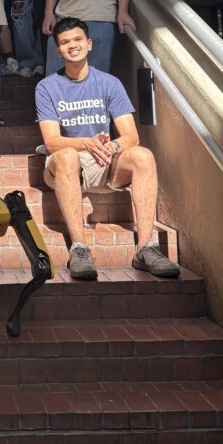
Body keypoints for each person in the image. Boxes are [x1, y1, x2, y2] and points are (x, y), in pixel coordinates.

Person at [36, 17, 180, 281]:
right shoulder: (47, 87)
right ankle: (80, 249)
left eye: (78, 39)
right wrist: (86, 143)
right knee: (66, 156)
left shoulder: (109, 83)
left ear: (89, 44)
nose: (72, 45)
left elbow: (131, 136)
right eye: (65, 42)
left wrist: (112, 146)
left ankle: (145, 248)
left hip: (103, 162)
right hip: (65, 165)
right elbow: (51, 141)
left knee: (143, 156)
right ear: (58, 51)